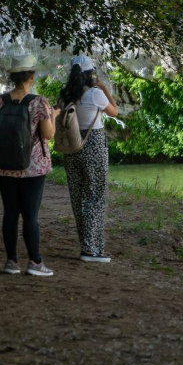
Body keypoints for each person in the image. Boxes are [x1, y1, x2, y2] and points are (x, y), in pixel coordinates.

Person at [0, 54, 56, 276]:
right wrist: (53, 116)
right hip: (32, 167)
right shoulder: (39, 102)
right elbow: (48, 134)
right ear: (31, 77)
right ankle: (35, 262)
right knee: (30, 216)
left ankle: (11, 262)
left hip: (5, 166)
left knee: (10, 213)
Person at [59, 55, 119, 263]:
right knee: (96, 196)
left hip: (71, 146)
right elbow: (114, 111)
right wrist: (104, 88)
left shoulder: (64, 95)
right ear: (89, 74)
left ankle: (88, 245)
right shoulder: (95, 94)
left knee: (78, 198)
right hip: (93, 147)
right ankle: (90, 250)